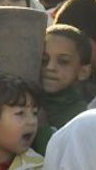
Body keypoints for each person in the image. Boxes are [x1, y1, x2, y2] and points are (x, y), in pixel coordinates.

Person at [34, 24, 92, 154]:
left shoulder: (80, 116)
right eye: (44, 60)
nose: (50, 67)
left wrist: (42, 127)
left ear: (83, 71)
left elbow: (63, 161)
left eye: (63, 61)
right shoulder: (25, 97)